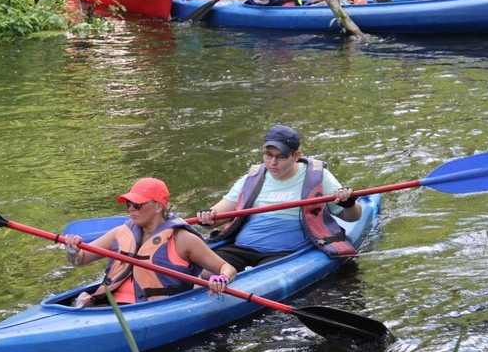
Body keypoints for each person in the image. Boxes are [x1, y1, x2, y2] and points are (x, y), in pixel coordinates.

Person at [195, 126, 362, 273]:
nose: (273, 163)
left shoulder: (317, 177)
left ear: (296, 155)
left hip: (283, 253)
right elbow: (218, 215)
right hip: (241, 248)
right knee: (206, 272)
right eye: (268, 155)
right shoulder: (252, 178)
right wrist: (207, 217)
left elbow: (353, 216)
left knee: (261, 276)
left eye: (281, 157)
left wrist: (348, 204)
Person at [64, 178, 237, 307]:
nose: (131, 208)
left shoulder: (182, 239)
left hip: (153, 309)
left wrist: (221, 279)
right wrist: (72, 250)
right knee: (84, 300)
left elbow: (227, 268)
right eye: (129, 204)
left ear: (158, 206)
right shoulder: (120, 232)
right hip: (110, 306)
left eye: (137, 204)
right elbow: (81, 259)